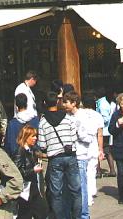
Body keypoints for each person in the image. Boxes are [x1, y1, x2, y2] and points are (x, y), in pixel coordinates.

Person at [37, 91, 82, 219]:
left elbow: (42, 145)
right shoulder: (68, 118)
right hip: (70, 155)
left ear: (45, 103)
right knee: (76, 190)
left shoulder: (43, 121)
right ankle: (77, 217)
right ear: (58, 102)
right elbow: (74, 137)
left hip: (54, 158)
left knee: (56, 192)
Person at [74, 93, 105, 219]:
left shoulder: (78, 113)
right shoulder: (98, 115)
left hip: (80, 145)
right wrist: (101, 149)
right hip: (92, 144)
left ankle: (84, 197)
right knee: (91, 171)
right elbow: (100, 134)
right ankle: (90, 195)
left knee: (81, 174)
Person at [13, 124, 48, 219]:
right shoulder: (20, 151)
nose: (35, 138)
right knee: (26, 214)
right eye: (32, 136)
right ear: (25, 137)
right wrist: (33, 170)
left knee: (42, 211)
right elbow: (17, 172)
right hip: (25, 189)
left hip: (33, 187)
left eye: (36, 136)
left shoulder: (31, 150)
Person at [95, 90, 117, 177]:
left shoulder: (102, 104)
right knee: (107, 151)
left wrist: (98, 123)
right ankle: (111, 170)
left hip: (103, 131)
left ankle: (98, 171)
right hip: (105, 131)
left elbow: (106, 118)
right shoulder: (103, 102)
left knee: (99, 150)